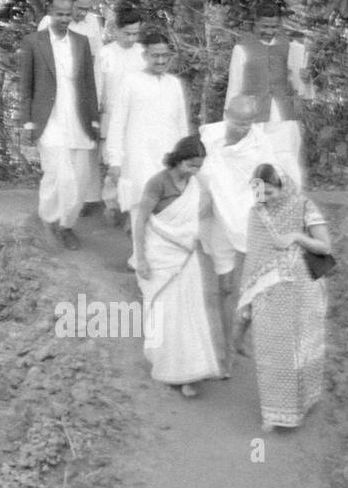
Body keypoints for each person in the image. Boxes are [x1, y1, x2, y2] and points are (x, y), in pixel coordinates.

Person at [199, 93, 304, 357]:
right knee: (225, 286)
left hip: (249, 220)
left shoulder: (260, 145)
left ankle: (239, 336)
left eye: (247, 124)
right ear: (226, 114)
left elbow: (273, 180)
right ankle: (223, 345)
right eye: (236, 122)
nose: (241, 129)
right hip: (219, 218)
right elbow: (198, 175)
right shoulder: (208, 139)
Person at [235, 163, 331, 431]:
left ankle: (304, 404)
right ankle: (276, 415)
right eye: (260, 193)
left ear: (283, 185)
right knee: (272, 353)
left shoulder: (303, 206)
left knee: (302, 349)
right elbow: (254, 258)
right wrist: (247, 299)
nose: (265, 198)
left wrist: (296, 236)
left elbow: (324, 246)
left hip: (303, 291)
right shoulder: (257, 214)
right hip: (268, 293)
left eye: (270, 192)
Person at [134, 135, 224, 398]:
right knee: (164, 312)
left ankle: (190, 371)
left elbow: (198, 219)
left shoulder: (195, 185)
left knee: (189, 312)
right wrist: (140, 258)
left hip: (186, 257)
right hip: (158, 255)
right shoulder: (157, 183)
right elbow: (141, 222)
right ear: (179, 160)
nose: (195, 171)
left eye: (199, 166)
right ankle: (166, 365)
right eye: (191, 165)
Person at [18, 0, 101, 246]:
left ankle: (67, 226)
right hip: (48, 119)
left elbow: (89, 84)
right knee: (56, 173)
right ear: (50, 13)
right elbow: (26, 84)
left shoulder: (80, 41)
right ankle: (47, 221)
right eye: (59, 14)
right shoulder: (34, 41)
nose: (65, 19)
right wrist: (27, 121)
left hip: (78, 120)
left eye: (68, 14)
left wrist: (95, 118)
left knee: (80, 177)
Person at [104, 29, 190, 228]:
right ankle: (139, 256)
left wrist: (184, 158)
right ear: (145, 55)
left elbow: (181, 125)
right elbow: (117, 124)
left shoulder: (174, 84)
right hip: (138, 158)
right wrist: (115, 160)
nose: (160, 61)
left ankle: (157, 257)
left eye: (165, 56)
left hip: (168, 157)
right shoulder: (131, 81)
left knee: (166, 207)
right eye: (155, 55)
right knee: (140, 207)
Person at [225, 2, 308, 171]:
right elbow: (234, 87)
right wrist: (230, 121)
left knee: (285, 159)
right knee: (255, 161)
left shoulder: (290, 46)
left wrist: (306, 79)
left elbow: (299, 83)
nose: (269, 31)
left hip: (283, 114)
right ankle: (258, 196)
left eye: (274, 27)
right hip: (253, 116)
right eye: (265, 26)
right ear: (255, 22)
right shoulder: (242, 48)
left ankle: (284, 195)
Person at [95, 4, 146, 222]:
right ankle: (111, 204)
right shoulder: (105, 53)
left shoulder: (143, 54)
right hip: (111, 116)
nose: (132, 38)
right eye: (127, 33)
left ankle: (130, 206)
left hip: (137, 118)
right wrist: (97, 120)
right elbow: (98, 88)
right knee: (113, 165)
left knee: (133, 163)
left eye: (136, 33)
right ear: (117, 31)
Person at [39, 0, 104, 57]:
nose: (83, 13)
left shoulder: (93, 21)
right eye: (80, 8)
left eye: (87, 9)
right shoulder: (49, 22)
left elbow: (97, 54)